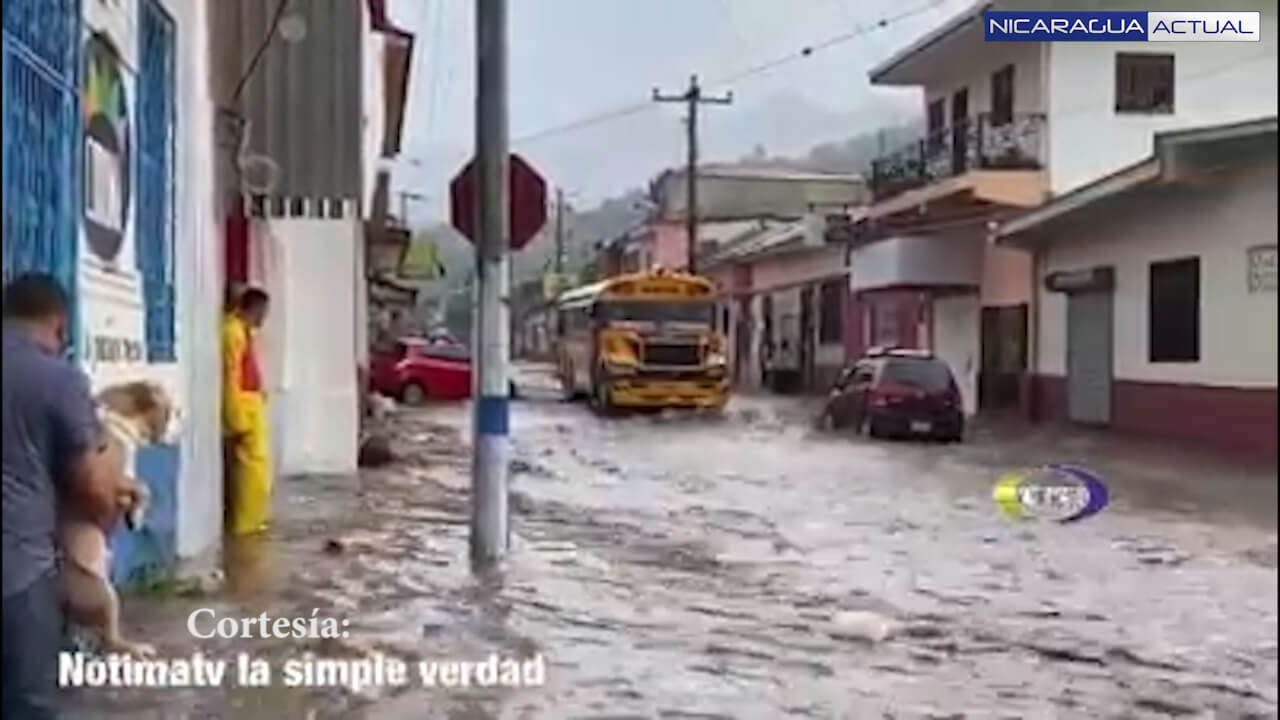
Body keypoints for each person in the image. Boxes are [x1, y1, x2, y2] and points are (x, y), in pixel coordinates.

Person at [3, 273, 116, 719]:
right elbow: (90, 485)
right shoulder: (59, 379)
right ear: (60, 326)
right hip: (18, 574)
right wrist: (102, 521)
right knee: (28, 704)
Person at [222, 287, 272, 535]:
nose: (264, 317)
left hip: (252, 407)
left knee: (259, 473)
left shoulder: (242, 332)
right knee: (251, 473)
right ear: (253, 309)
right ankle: (245, 528)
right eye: (263, 311)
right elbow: (231, 377)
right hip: (244, 410)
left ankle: (253, 524)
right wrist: (237, 418)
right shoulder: (233, 333)